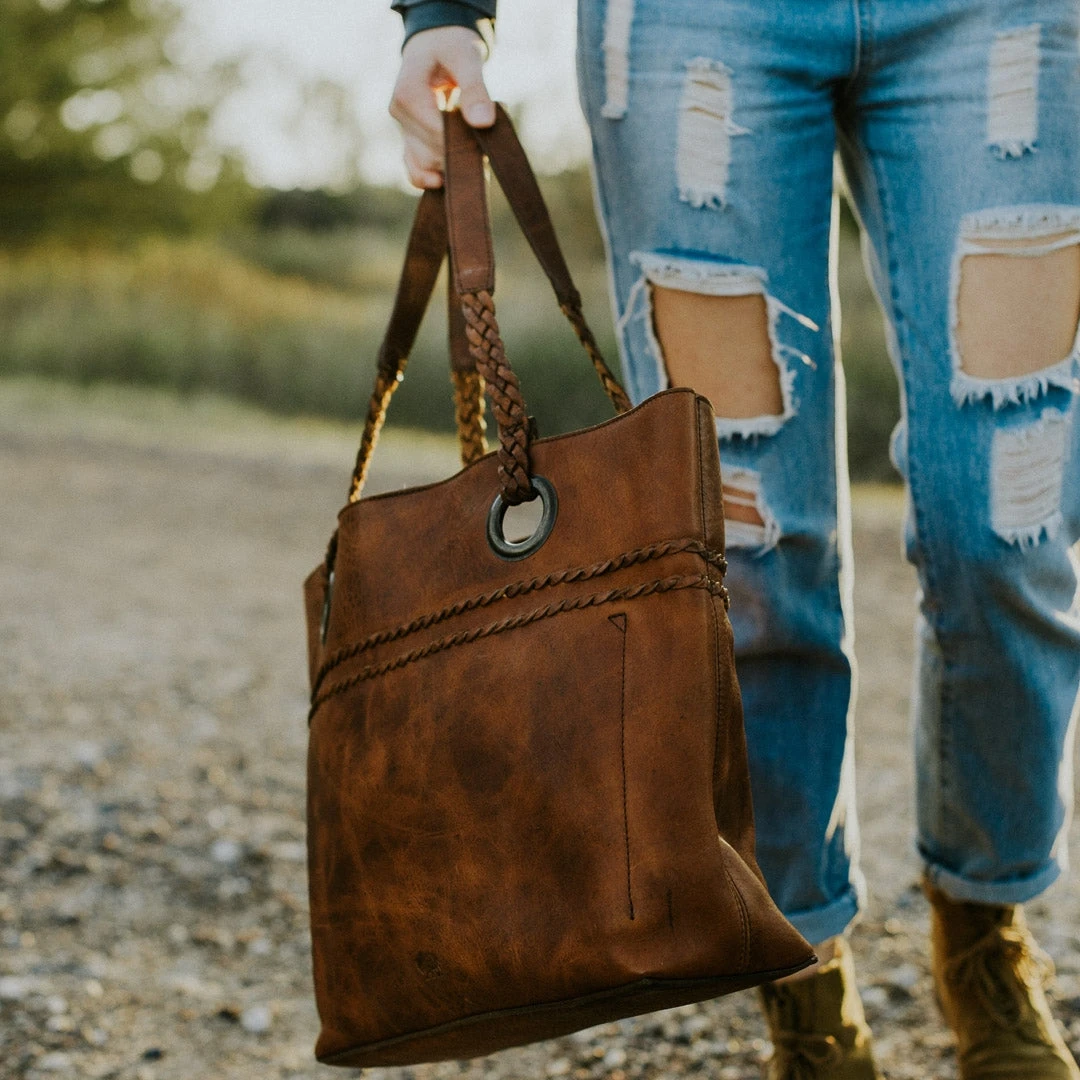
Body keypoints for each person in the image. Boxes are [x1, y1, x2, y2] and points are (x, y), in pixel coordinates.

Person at [387, 2, 1080, 1077]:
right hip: (694, 24)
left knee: (1011, 528)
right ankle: (800, 962)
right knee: (749, 555)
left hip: (996, 18)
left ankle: (984, 926)